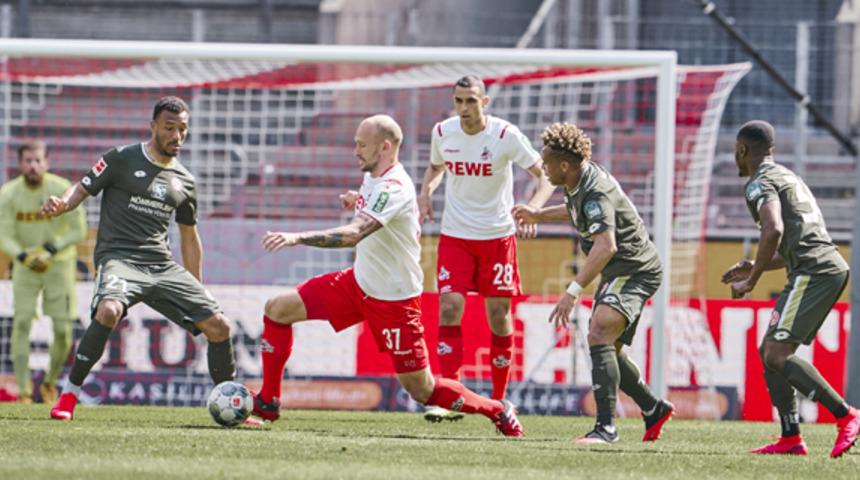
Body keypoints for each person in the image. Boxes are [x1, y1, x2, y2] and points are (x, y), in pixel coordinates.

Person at [250, 114, 524, 437]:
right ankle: (268, 401)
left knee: (422, 389)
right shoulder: (375, 177)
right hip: (357, 284)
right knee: (278, 309)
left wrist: (297, 237)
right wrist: (358, 199)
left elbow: (354, 234)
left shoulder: (394, 187)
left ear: (385, 147)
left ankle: (497, 409)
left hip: (394, 303)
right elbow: (378, 209)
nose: (355, 151)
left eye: (361, 145)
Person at [40, 96, 247, 422]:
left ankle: (230, 403)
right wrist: (64, 204)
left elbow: (189, 237)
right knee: (109, 311)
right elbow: (82, 186)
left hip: (161, 265)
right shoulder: (121, 158)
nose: (177, 136)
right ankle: (69, 394)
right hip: (120, 258)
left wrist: (196, 288)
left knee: (220, 326)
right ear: (153, 126)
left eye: (183, 129)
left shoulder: (185, 181)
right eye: (169, 128)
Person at [512, 122, 674, 444]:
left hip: (635, 268)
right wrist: (538, 215)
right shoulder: (578, 180)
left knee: (599, 331)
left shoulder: (595, 190)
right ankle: (652, 408)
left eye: (547, 164)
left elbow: (606, 245)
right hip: (619, 269)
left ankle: (606, 429)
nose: (544, 169)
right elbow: (577, 211)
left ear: (564, 165)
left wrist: (572, 292)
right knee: (607, 346)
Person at [417, 75, 555, 422]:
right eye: (458, 101)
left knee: (498, 315)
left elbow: (546, 174)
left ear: (485, 102)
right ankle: (450, 397)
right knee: (450, 307)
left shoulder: (505, 135)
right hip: (456, 235)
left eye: (471, 101)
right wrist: (425, 192)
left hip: (497, 237)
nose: (464, 108)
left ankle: (500, 401)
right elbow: (435, 167)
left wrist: (535, 207)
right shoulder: (443, 132)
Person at [721, 120, 859, 458]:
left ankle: (847, 415)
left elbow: (773, 230)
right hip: (820, 265)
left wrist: (751, 281)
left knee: (777, 354)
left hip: (814, 271)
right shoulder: (787, 176)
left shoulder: (759, 183)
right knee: (769, 351)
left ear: (742, 150)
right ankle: (790, 437)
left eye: (736, 152)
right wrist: (754, 265)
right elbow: (791, 244)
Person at [0, 140, 87, 404]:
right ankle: (24, 391)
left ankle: (49, 382)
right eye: (28, 161)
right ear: (20, 164)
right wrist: (22, 256)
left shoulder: (62, 189)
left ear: (47, 162)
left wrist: (52, 248)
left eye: (38, 160)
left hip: (58, 266)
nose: (33, 166)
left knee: (63, 329)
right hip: (26, 267)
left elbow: (78, 230)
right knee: (21, 323)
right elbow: (3, 233)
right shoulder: (8, 194)